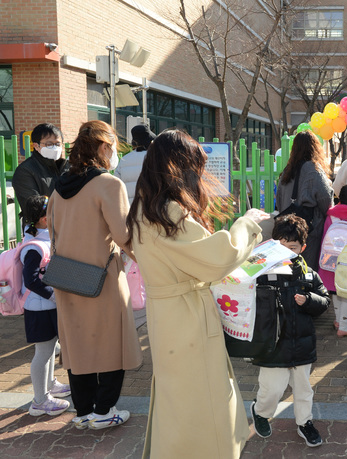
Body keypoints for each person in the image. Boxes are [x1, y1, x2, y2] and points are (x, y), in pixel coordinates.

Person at [126, 129, 268, 457]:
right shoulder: (169, 212)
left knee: (178, 396)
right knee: (203, 395)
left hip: (167, 315)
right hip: (186, 314)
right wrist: (247, 223)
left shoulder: (144, 207)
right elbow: (220, 256)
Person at [48, 120, 142, 429]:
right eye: (113, 146)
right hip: (102, 279)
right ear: (103, 147)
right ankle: (104, 412)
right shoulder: (107, 184)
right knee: (113, 343)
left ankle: (84, 411)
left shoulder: (58, 189)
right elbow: (123, 235)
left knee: (78, 345)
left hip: (67, 278)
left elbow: (53, 235)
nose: (114, 152)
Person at [250, 215, 330, 448]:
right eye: (280, 246)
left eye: (292, 247)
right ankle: (261, 411)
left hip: (301, 343)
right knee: (272, 389)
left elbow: (324, 300)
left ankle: (304, 422)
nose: (286, 252)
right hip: (272, 345)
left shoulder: (307, 273)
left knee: (303, 389)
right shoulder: (261, 270)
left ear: (302, 248)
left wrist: (308, 300)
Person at [21, 195, 72, 417]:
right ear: (43, 218)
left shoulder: (41, 239)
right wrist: (53, 296)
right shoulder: (34, 247)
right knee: (42, 352)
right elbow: (31, 280)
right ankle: (39, 401)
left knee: (50, 348)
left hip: (46, 306)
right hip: (39, 308)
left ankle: (49, 385)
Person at [276, 131, 333, 271]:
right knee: (307, 269)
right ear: (315, 148)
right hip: (308, 230)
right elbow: (326, 200)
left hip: (286, 228)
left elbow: (278, 200)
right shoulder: (314, 170)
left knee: (287, 267)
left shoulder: (287, 171)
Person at [318, 184, 347, 337]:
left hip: (330, 260)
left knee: (335, 291)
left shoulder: (331, 215)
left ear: (340, 198)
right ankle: (344, 326)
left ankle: (337, 320)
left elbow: (324, 236)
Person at [12, 123, 69, 225]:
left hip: (68, 225)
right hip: (41, 230)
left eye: (57, 144)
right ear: (36, 146)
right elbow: (33, 207)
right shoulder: (25, 170)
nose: (54, 148)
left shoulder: (67, 166)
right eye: (49, 144)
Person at [115, 124, 156, 203]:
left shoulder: (124, 159)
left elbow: (116, 184)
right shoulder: (154, 158)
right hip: (150, 208)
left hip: (129, 207)